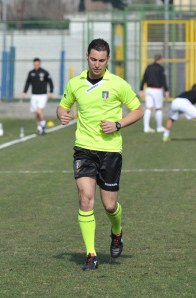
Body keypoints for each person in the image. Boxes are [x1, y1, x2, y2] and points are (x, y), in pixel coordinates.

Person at [56, 38, 144, 271]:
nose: (97, 64)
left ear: (107, 60)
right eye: (93, 59)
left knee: (109, 206)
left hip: (110, 151)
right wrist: (61, 114)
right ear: (87, 57)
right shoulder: (75, 83)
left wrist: (118, 124)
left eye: (101, 60)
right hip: (83, 148)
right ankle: (91, 254)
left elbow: (138, 110)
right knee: (85, 199)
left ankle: (116, 232)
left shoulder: (118, 83)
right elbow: (63, 106)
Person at [22, 58, 54, 135]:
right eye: (34, 64)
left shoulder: (44, 72)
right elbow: (27, 83)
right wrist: (24, 92)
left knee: (39, 111)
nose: (36, 66)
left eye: (37, 64)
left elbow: (50, 82)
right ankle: (40, 129)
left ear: (40, 64)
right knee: (36, 113)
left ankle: (43, 125)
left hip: (42, 95)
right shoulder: (31, 73)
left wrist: (51, 91)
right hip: (34, 95)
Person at [139, 54, 169, 133]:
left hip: (148, 89)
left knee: (148, 108)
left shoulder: (148, 67)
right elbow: (163, 80)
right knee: (158, 108)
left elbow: (144, 79)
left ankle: (146, 127)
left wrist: (141, 89)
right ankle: (159, 127)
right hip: (157, 90)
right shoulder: (160, 68)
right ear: (160, 60)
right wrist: (166, 90)